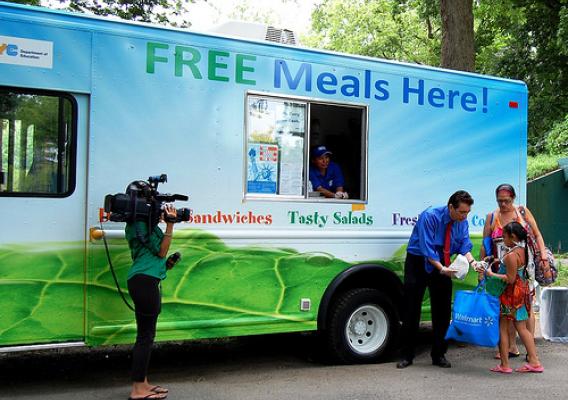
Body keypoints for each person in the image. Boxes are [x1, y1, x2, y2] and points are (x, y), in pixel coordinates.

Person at [397, 190, 476, 369]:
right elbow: (427, 248)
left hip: (443, 260)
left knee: (442, 310)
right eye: (462, 212)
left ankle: (439, 354)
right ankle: (406, 355)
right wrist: (442, 269)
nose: (465, 216)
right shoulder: (430, 216)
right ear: (451, 207)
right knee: (411, 308)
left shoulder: (462, 222)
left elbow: (464, 244)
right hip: (419, 260)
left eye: (467, 212)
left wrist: (473, 262)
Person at [479, 183, 549, 360]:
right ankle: (510, 347)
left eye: (507, 201)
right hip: (500, 266)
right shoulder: (491, 217)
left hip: (524, 268)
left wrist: (544, 257)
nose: (503, 205)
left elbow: (538, 234)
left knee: (526, 308)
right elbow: (484, 243)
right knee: (504, 309)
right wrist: (482, 268)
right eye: (500, 201)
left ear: (514, 199)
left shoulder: (522, 212)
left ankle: (529, 350)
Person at [125, 183, 177, 400]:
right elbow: (161, 250)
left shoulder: (137, 225)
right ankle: (138, 390)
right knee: (145, 337)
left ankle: (143, 383)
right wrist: (170, 225)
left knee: (146, 335)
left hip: (142, 280)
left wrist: (167, 265)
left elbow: (152, 258)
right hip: (144, 283)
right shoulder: (142, 226)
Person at [483, 221, 544, 373]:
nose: (502, 239)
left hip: (510, 296)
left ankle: (505, 365)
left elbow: (509, 278)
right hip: (522, 294)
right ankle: (535, 361)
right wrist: (499, 261)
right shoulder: (523, 249)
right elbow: (516, 268)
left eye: (504, 236)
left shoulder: (511, 255)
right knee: (522, 328)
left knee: (503, 327)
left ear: (513, 236)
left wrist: (491, 274)